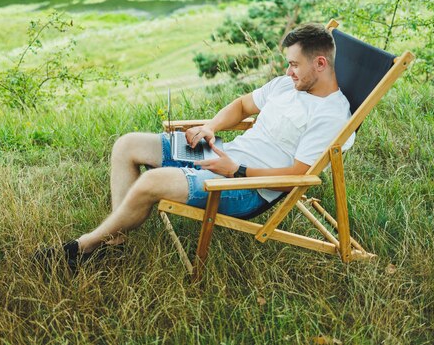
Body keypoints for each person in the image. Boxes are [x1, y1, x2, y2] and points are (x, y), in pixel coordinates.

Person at [35, 23, 354, 271]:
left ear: (321, 63)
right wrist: (210, 127)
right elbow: (243, 105)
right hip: (222, 157)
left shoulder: (329, 114)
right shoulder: (288, 85)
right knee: (127, 145)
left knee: (151, 181)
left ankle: (83, 248)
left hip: (246, 186)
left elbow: (300, 173)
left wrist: (238, 170)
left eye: (294, 64)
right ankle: (115, 241)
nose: (288, 71)